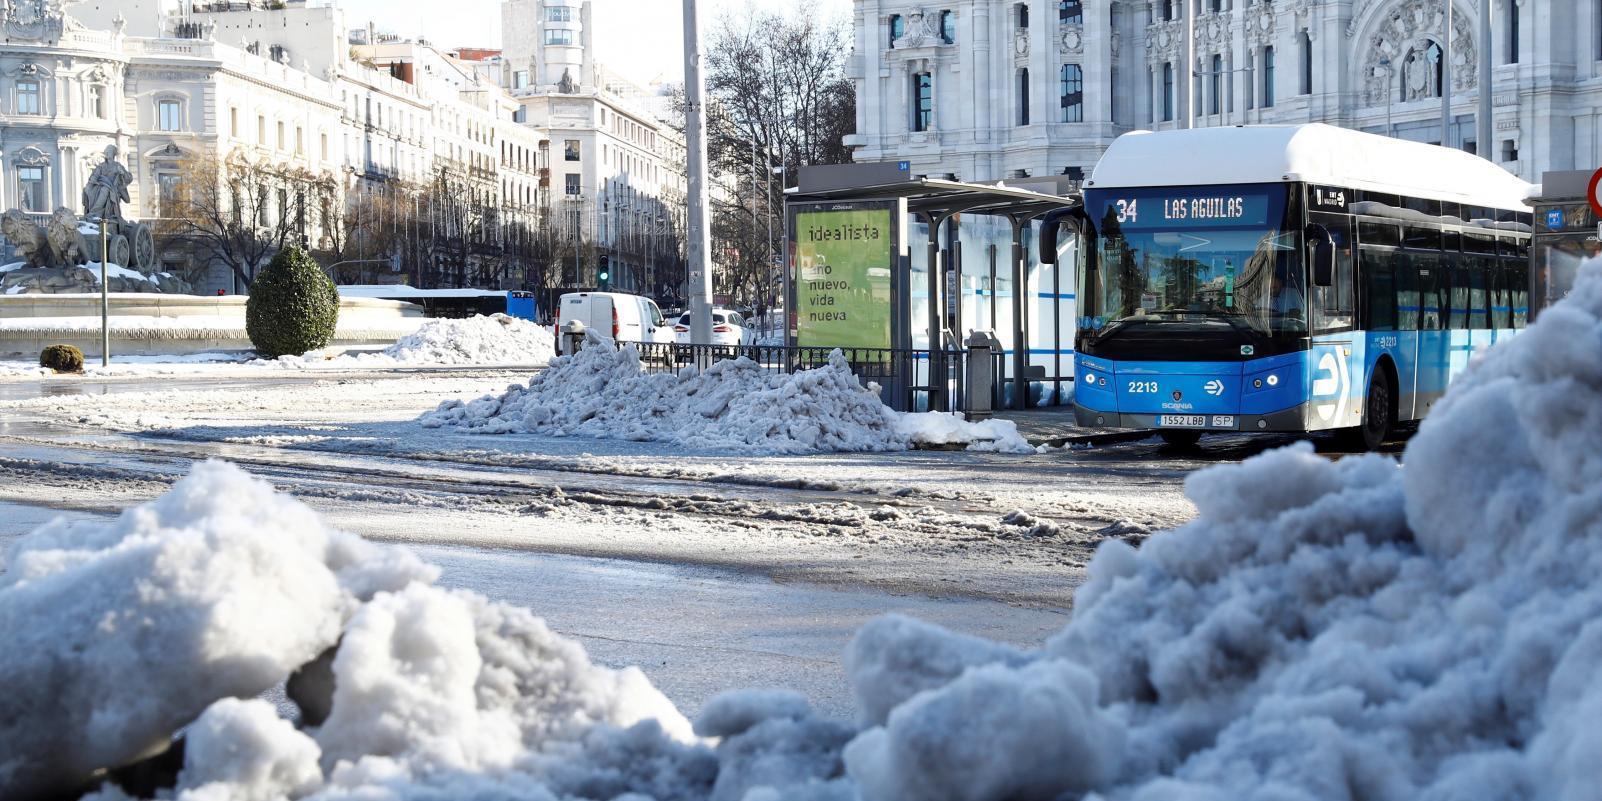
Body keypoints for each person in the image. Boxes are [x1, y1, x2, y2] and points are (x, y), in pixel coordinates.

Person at [82, 144, 132, 224]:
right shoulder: (101, 166)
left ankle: (94, 212)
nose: (107, 154)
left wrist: (122, 173)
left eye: (109, 152)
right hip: (101, 186)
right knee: (87, 189)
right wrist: (91, 184)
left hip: (113, 189)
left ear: (113, 153)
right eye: (106, 152)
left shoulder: (117, 166)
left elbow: (128, 178)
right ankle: (92, 213)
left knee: (104, 189)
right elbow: (94, 176)